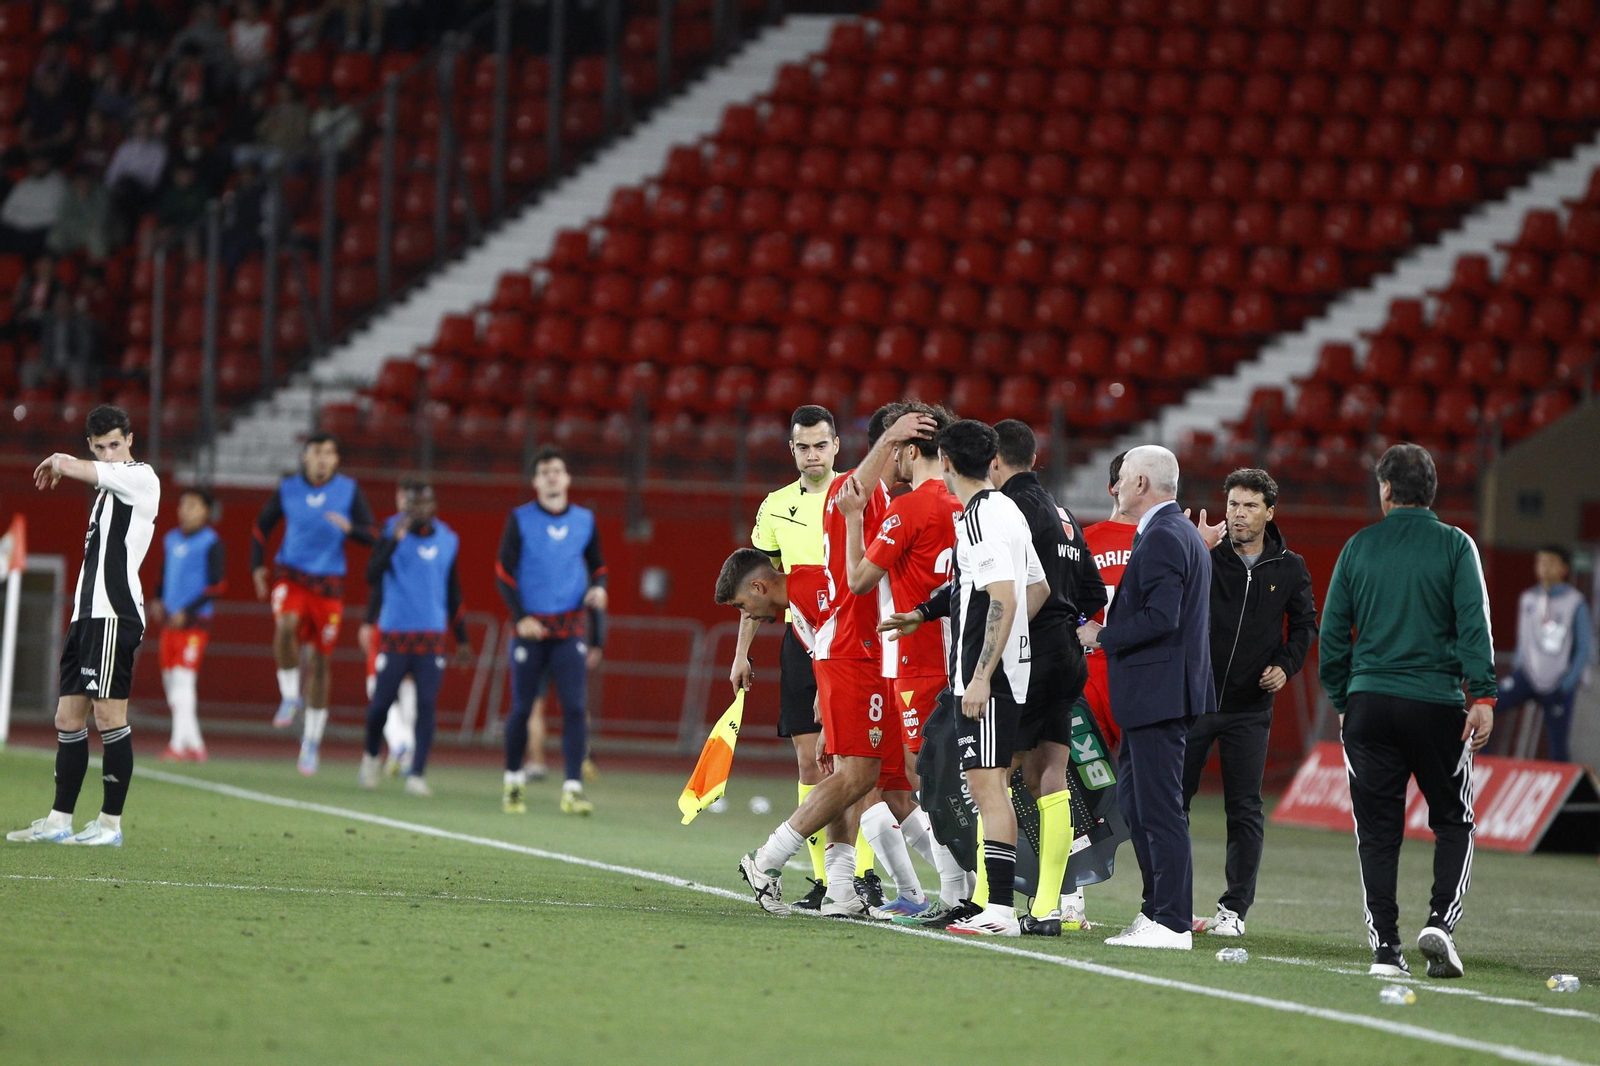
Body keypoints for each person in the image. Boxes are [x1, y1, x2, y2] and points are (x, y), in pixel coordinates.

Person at [736, 407, 937, 917]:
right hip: (856, 653)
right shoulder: (850, 496)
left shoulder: (861, 505)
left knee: (866, 775)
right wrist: (892, 435)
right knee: (861, 776)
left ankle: (844, 890)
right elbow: (857, 491)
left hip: (856, 652)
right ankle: (768, 858)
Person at [1320, 443, 1496, 980]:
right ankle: (1441, 922)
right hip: (1437, 706)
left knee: (1376, 831)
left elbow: (1331, 636)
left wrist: (1343, 698)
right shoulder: (1455, 545)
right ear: (1432, 491)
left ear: (1386, 490)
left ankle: (1386, 952)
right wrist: (1483, 695)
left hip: (1371, 705)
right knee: (1453, 821)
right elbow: (1474, 623)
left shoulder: (1358, 547)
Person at [1078, 445, 1215, 950]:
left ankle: (1173, 922)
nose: (1115, 488)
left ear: (1139, 484)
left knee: (1159, 810)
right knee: (1139, 804)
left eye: (1123, 479)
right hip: (1154, 694)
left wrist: (1102, 637)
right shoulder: (1174, 532)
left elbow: (1163, 617)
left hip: (1160, 694)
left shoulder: (1162, 535)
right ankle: (1155, 910)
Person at [841, 401, 971, 922]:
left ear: (911, 450)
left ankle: (958, 894)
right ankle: (952, 891)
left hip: (915, 659)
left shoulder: (909, 508)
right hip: (957, 655)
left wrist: (854, 519)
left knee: (930, 784)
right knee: (940, 780)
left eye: (895, 450)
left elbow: (857, 581)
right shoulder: (967, 502)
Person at [8, 406, 159, 847]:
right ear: (91, 446)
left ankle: (110, 825)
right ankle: (59, 820)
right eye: (100, 448)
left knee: (110, 716)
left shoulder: (140, 476)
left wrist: (60, 460)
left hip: (114, 614)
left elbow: (78, 469)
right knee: (67, 717)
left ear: (129, 439)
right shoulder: (103, 496)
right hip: (86, 615)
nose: (109, 454)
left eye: (115, 444)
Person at [1182, 468, 1317, 939]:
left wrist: (1287, 663)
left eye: (1249, 506)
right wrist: (1195, 549)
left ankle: (1233, 910)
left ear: (1269, 512)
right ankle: (1169, 903)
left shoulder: (1290, 567)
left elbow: (1304, 627)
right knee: (1174, 803)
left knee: (1244, 810)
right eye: (1233, 505)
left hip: (1249, 709)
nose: (1238, 515)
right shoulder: (1204, 554)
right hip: (1196, 701)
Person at [990, 418, 1108, 934]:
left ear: (994, 461)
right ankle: (1048, 908)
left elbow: (1009, 591)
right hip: (1067, 656)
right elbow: (1094, 596)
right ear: (1033, 458)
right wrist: (1070, 624)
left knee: (993, 776)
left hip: (1028, 655)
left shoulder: (1006, 510)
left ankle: (985, 904)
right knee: (1050, 773)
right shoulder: (1063, 514)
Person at [935, 419, 1050, 936]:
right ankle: (997, 908)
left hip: (988, 679)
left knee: (987, 788)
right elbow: (1039, 588)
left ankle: (1000, 910)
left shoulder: (981, 517)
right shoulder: (1009, 508)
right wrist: (1014, 648)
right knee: (992, 785)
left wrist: (982, 673)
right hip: (1010, 671)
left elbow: (1003, 596)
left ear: (947, 463)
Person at [728, 404, 840, 910]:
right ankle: (824, 880)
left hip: (853, 643)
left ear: (836, 445)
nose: (812, 454)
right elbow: (760, 588)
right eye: (803, 446)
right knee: (809, 762)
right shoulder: (774, 507)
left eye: (821, 444)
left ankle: (857, 876)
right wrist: (741, 653)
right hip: (801, 641)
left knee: (861, 765)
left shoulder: (858, 495)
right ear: (791, 449)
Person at [250, 433, 376, 775]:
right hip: (291, 576)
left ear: (336, 460)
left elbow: (372, 535)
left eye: (330, 453)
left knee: (321, 663)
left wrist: (351, 529)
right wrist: (258, 566)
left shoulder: (349, 490)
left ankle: (311, 742)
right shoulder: (289, 488)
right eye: (317, 452)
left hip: (328, 586)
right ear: (305, 457)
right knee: (286, 626)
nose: (323, 459)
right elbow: (262, 527)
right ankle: (290, 697)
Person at [495, 447, 607, 815]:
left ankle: (572, 788)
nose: (552, 477)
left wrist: (599, 589)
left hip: (569, 629)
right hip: (530, 630)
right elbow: (503, 574)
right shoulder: (520, 519)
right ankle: (513, 782)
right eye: (544, 472)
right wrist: (519, 617)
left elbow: (598, 568)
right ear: (535, 481)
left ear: (568, 478)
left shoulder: (585, 520)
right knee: (523, 707)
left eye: (557, 470)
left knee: (575, 707)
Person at [358, 480, 471, 796]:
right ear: (403, 504)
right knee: (380, 704)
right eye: (412, 503)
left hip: (432, 636)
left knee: (426, 706)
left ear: (433, 505)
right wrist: (392, 542)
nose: (418, 509)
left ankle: (417, 773)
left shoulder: (448, 539)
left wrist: (462, 638)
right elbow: (372, 575)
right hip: (395, 634)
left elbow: (453, 590)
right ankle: (370, 758)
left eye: (424, 503)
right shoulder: (391, 531)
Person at [149, 488, 226, 762]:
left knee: (183, 680)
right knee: (171, 683)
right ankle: (195, 744)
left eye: (193, 505)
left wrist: (188, 610)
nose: (186, 510)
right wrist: (157, 599)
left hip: (194, 624)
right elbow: (163, 574)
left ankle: (178, 745)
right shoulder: (170, 539)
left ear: (205, 511)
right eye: (183, 505)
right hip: (171, 623)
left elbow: (217, 585)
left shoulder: (211, 542)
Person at [1498, 545, 1593, 763]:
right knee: (1488, 708)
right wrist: (1519, 669)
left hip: (1558, 680)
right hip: (1528, 675)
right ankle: (1479, 766)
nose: (1543, 568)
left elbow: (1584, 648)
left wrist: (1567, 683)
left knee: (1557, 742)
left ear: (1563, 568)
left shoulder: (1575, 603)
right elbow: (1523, 640)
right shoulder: (1528, 598)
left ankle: (1564, 791)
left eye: (1550, 563)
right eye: (1540, 562)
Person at [1081, 452, 1136, 751]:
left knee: (1087, 790)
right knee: (1148, 786)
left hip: (1088, 671)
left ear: (1110, 487)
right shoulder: (1171, 542)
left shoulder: (1083, 540)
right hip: (1142, 671)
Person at [523, 607, 603, 781]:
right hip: (568, 644)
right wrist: (597, 642)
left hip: (539, 645)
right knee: (575, 704)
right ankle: (582, 756)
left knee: (536, 707)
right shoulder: (579, 581)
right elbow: (596, 605)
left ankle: (536, 764)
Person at [0, 155, 67, 256]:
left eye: (41, 163)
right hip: (17, 228)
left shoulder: (58, 184)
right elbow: (6, 211)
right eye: (35, 163)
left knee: (49, 236)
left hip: (41, 230)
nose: (38, 166)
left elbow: (54, 215)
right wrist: (22, 222)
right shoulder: (24, 184)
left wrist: (25, 220)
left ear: (48, 164)